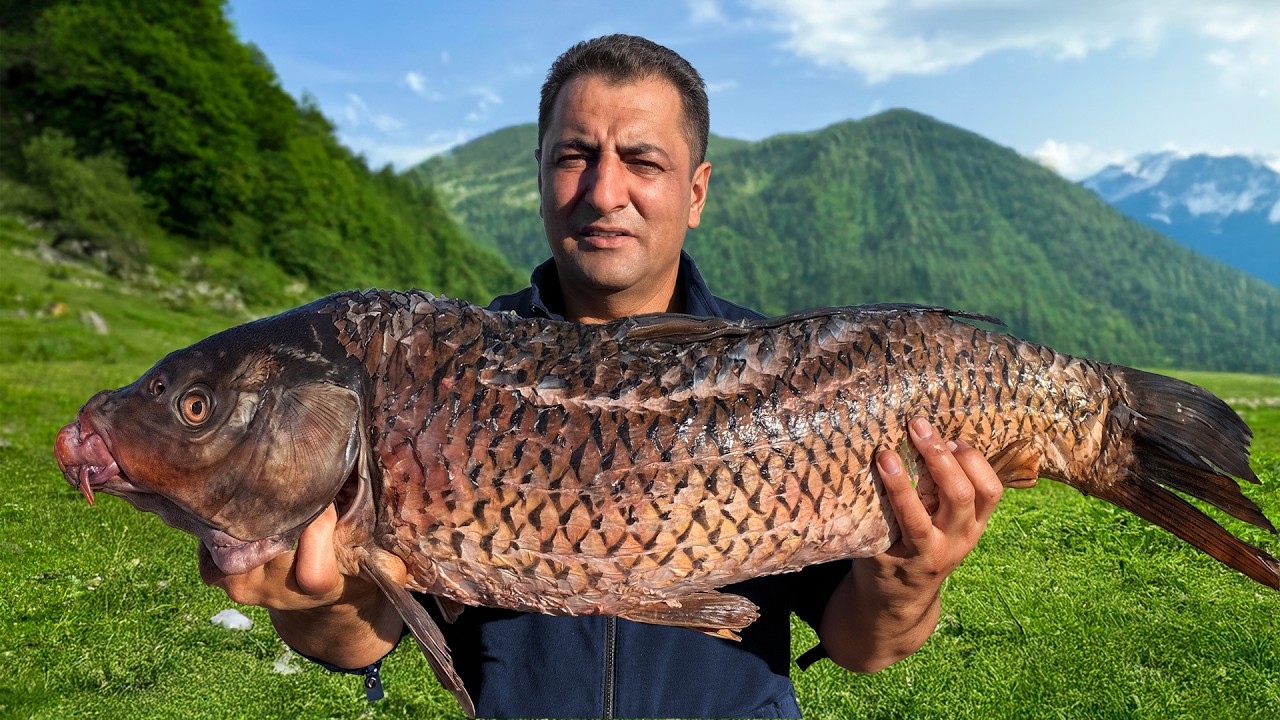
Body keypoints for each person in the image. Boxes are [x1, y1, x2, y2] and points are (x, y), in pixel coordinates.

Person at [201, 34, 1004, 718]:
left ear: (695, 193)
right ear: (540, 174)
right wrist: (324, 598)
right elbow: (360, 638)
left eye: (642, 161)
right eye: (575, 156)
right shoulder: (437, 385)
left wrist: (909, 577)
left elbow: (864, 644)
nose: (603, 191)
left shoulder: (795, 386)